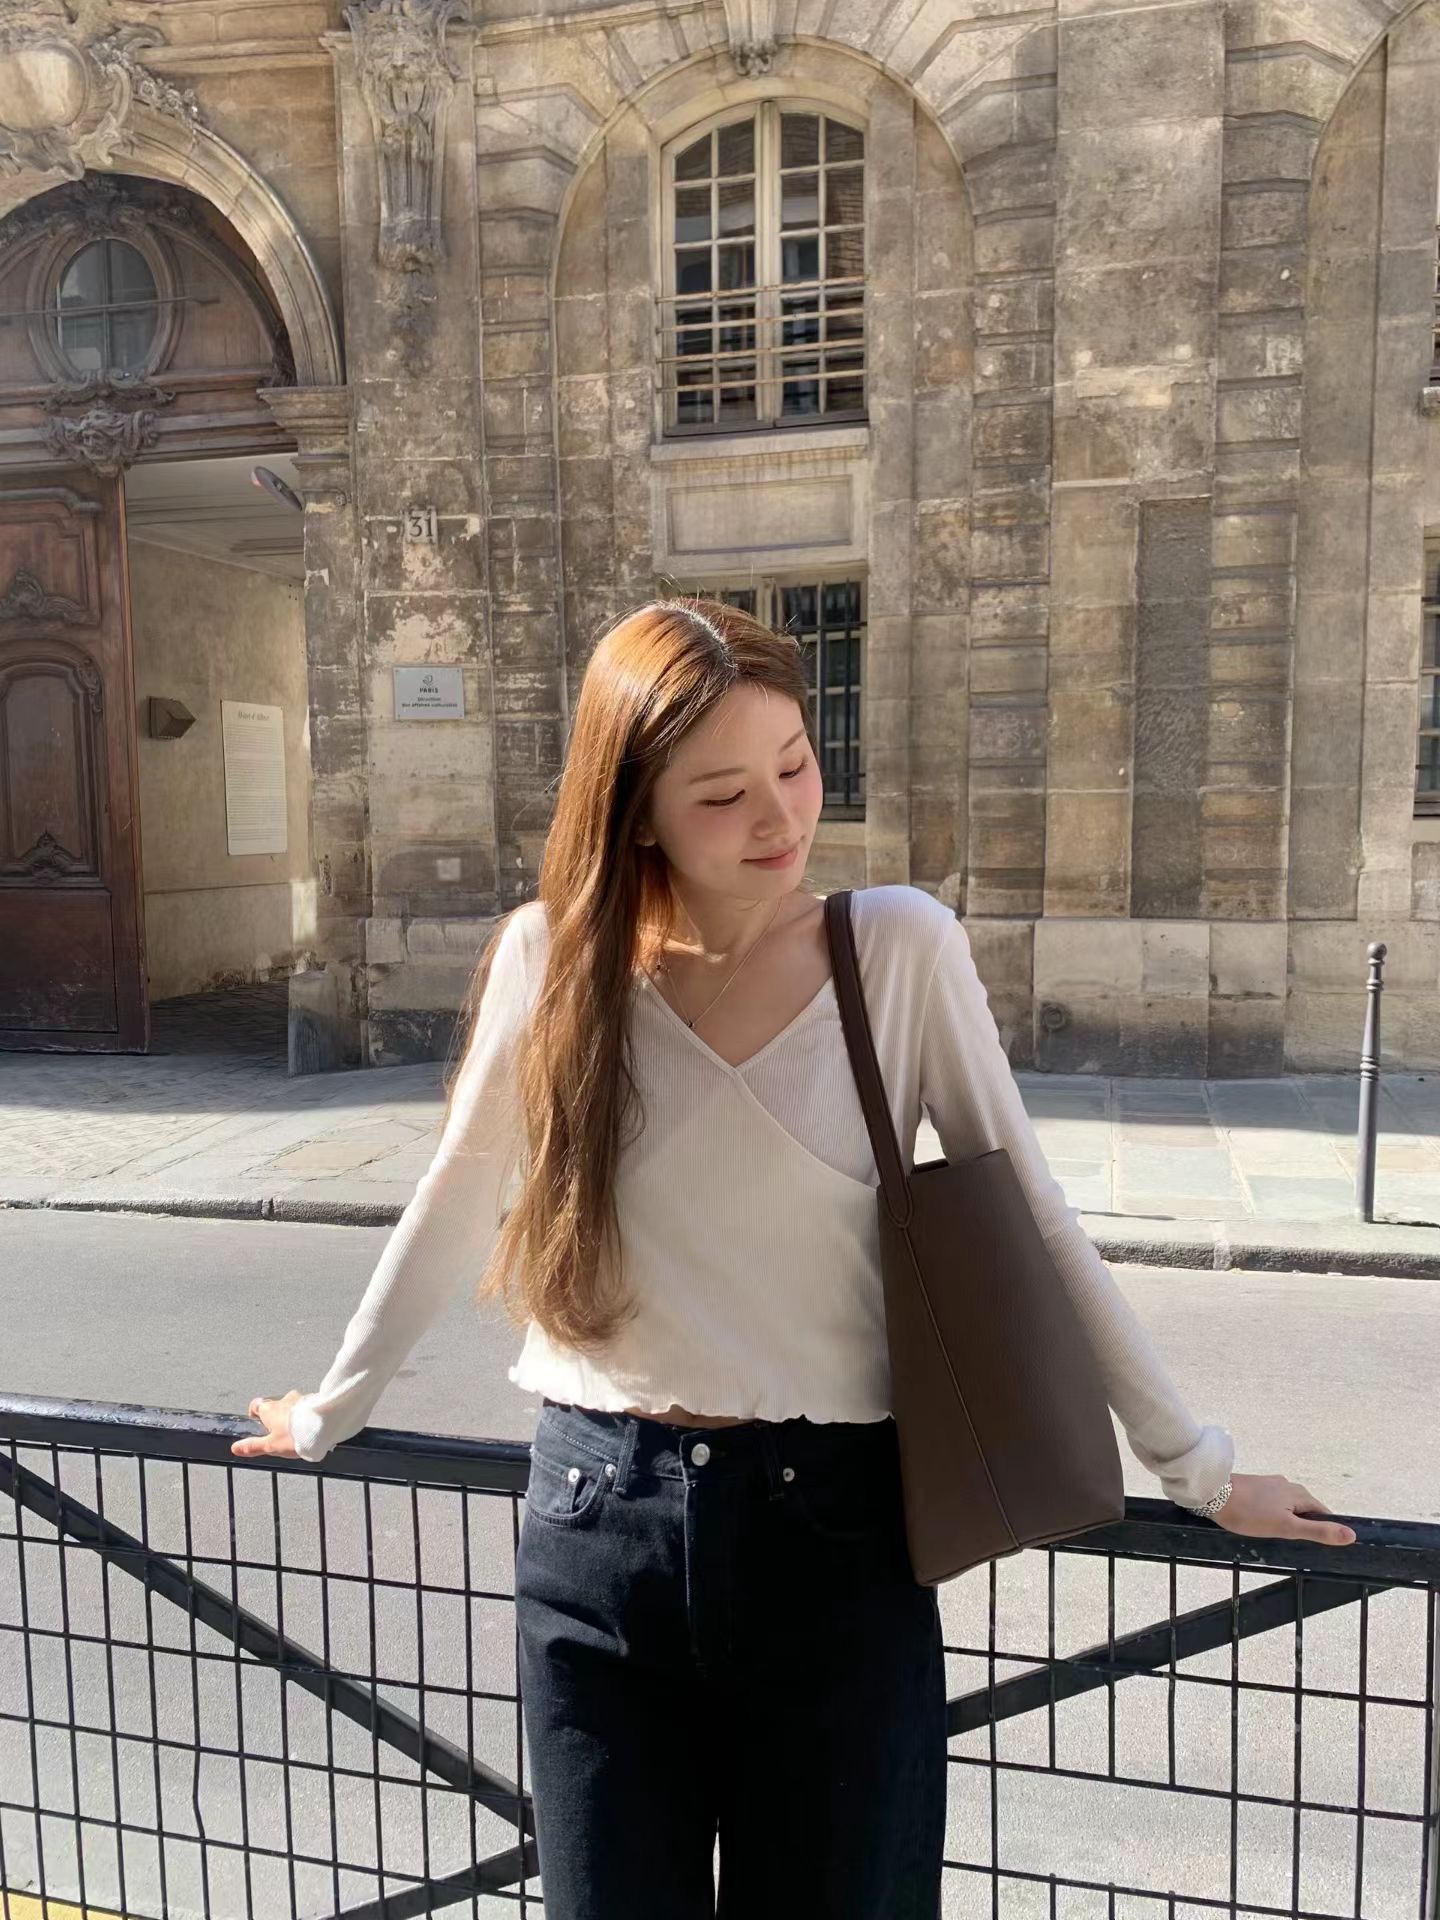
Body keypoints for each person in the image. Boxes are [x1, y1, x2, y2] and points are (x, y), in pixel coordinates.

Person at [233, 598, 1355, 1919]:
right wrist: (333, 1407)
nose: (779, 817)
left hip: (836, 1541)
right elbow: (458, 1196)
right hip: (595, 1530)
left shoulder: (895, 950)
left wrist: (1200, 1471)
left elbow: (1034, 1223)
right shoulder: (555, 957)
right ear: (635, 814)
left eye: (797, 766)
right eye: (722, 796)